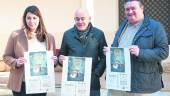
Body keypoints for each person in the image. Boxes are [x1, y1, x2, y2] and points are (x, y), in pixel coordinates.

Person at [104, 0, 169, 96]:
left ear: (142, 8)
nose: (130, 12)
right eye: (127, 9)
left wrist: (140, 52)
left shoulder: (155, 27)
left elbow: (163, 52)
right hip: (118, 82)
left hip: (142, 85)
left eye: (133, 8)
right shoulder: (123, 25)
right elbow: (116, 46)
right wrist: (111, 52)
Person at [3, 5, 57, 96]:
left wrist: (54, 62)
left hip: (41, 84)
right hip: (21, 85)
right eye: (28, 18)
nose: (31, 21)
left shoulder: (49, 37)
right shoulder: (15, 35)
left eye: (34, 18)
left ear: (39, 19)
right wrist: (16, 62)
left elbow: (53, 61)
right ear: (25, 19)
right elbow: (6, 56)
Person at [58, 8, 107, 96]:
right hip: (73, 82)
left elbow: (104, 57)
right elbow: (62, 55)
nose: (80, 21)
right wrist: (61, 61)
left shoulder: (99, 34)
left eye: (83, 18)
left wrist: (96, 74)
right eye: (77, 19)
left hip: (93, 83)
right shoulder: (67, 34)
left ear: (89, 18)